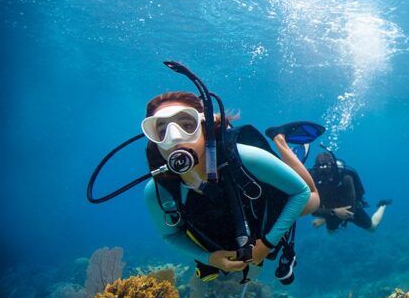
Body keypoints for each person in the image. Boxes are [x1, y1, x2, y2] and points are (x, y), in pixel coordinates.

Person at [142, 91, 320, 284]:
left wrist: (268, 242)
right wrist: (209, 259)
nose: (174, 138)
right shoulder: (158, 191)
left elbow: (300, 192)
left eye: (187, 125)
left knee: (313, 200)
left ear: (205, 128)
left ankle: (280, 140)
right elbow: (170, 235)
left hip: (266, 206)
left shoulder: (246, 157)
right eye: (162, 131)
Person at [309, 151, 391, 233]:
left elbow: (350, 210)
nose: (324, 175)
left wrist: (326, 217)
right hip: (332, 209)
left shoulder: (345, 177)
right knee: (330, 232)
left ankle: (382, 205)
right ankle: (328, 218)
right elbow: (310, 209)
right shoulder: (312, 178)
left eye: (327, 170)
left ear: (333, 168)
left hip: (350, 207)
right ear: (316, 169)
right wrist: (332, 212)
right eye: (320, 171)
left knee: (372, 228)